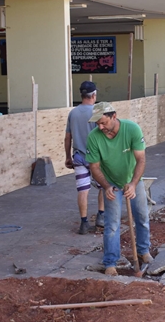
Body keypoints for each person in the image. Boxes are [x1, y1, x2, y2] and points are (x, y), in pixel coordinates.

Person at [86, 102, 152, 276]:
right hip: (111, 183)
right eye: (97, 124)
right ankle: (110, 262)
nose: (100, 127)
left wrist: (133, 183)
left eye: (103, 122)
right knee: (112, 224)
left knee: (142, 217)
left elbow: (141, 160)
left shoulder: (132, 129)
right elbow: (94, 167)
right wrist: (106, 186)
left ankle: (143, 251)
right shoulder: (94, 137)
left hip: (133, 180)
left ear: (113, 117)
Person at [64, 81, 105, 235]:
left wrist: (68, 157)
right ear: (94, 95)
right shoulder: (97, 112)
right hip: (96, 158)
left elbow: (68, 137)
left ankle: (84, 223)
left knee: (83, 190)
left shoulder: (73, 113)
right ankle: (101, 216)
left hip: (79, 157)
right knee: (103, 186)